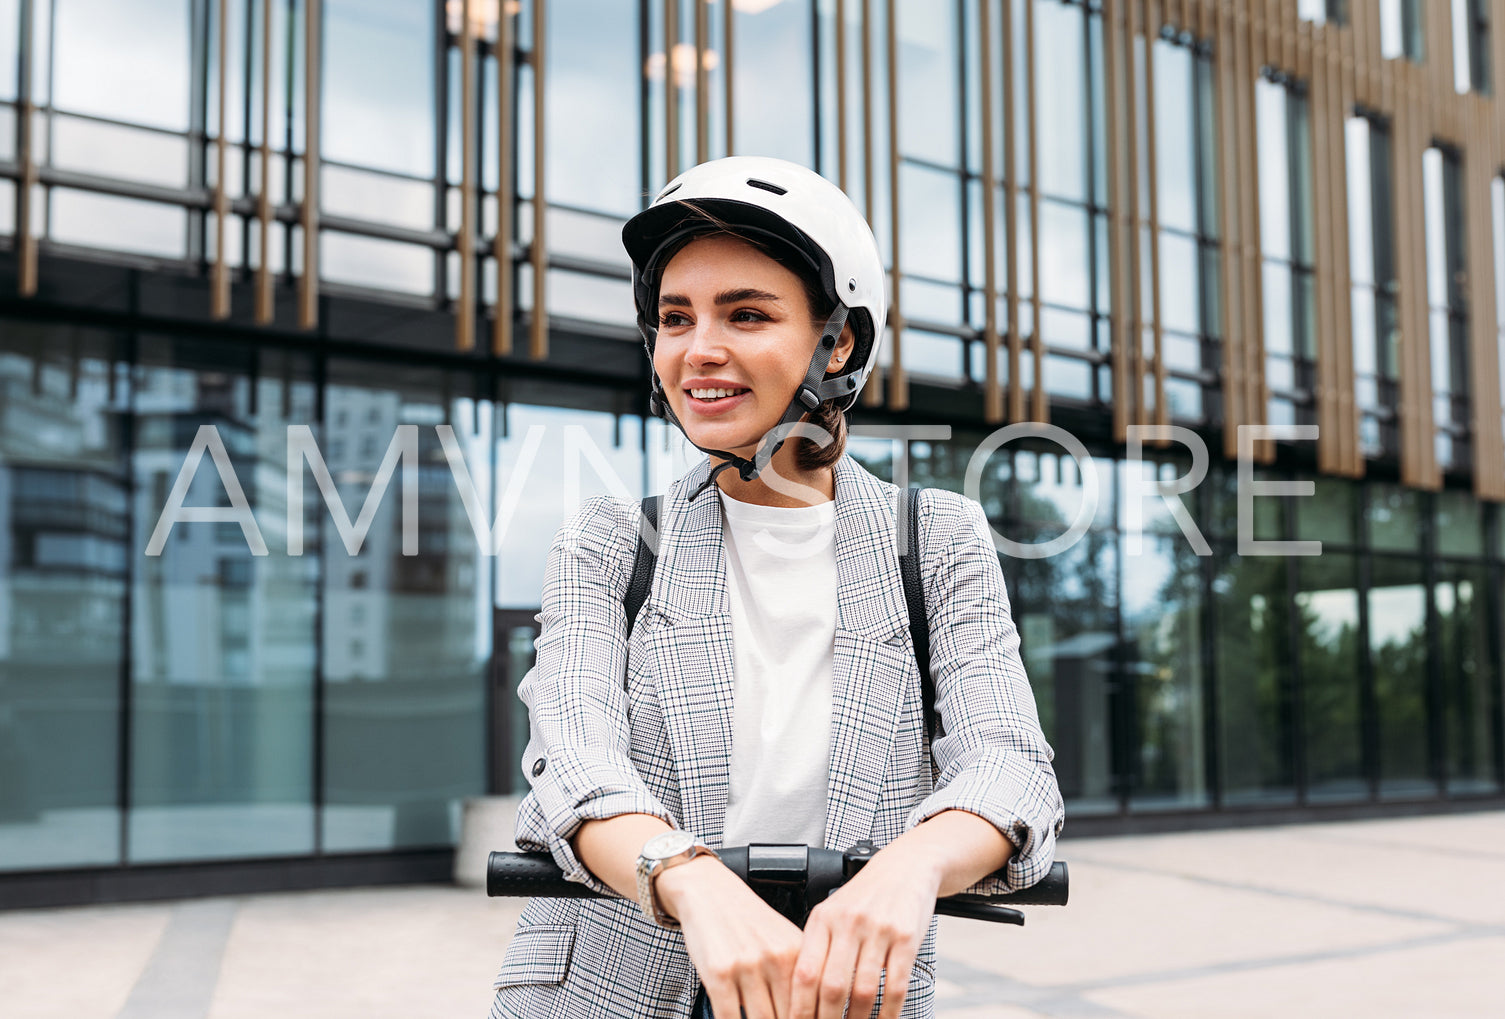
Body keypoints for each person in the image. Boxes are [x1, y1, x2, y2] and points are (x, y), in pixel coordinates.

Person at [489, 156, 1063, 1019]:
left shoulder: (933, 538)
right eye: (674, 318)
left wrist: (909, 868)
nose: (698, 349)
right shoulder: (610, 540)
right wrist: (689, 879)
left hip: (840, 999)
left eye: (746, 314)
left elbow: (1007, 761)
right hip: (601, 995)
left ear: (837, 343)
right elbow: (574, 761)